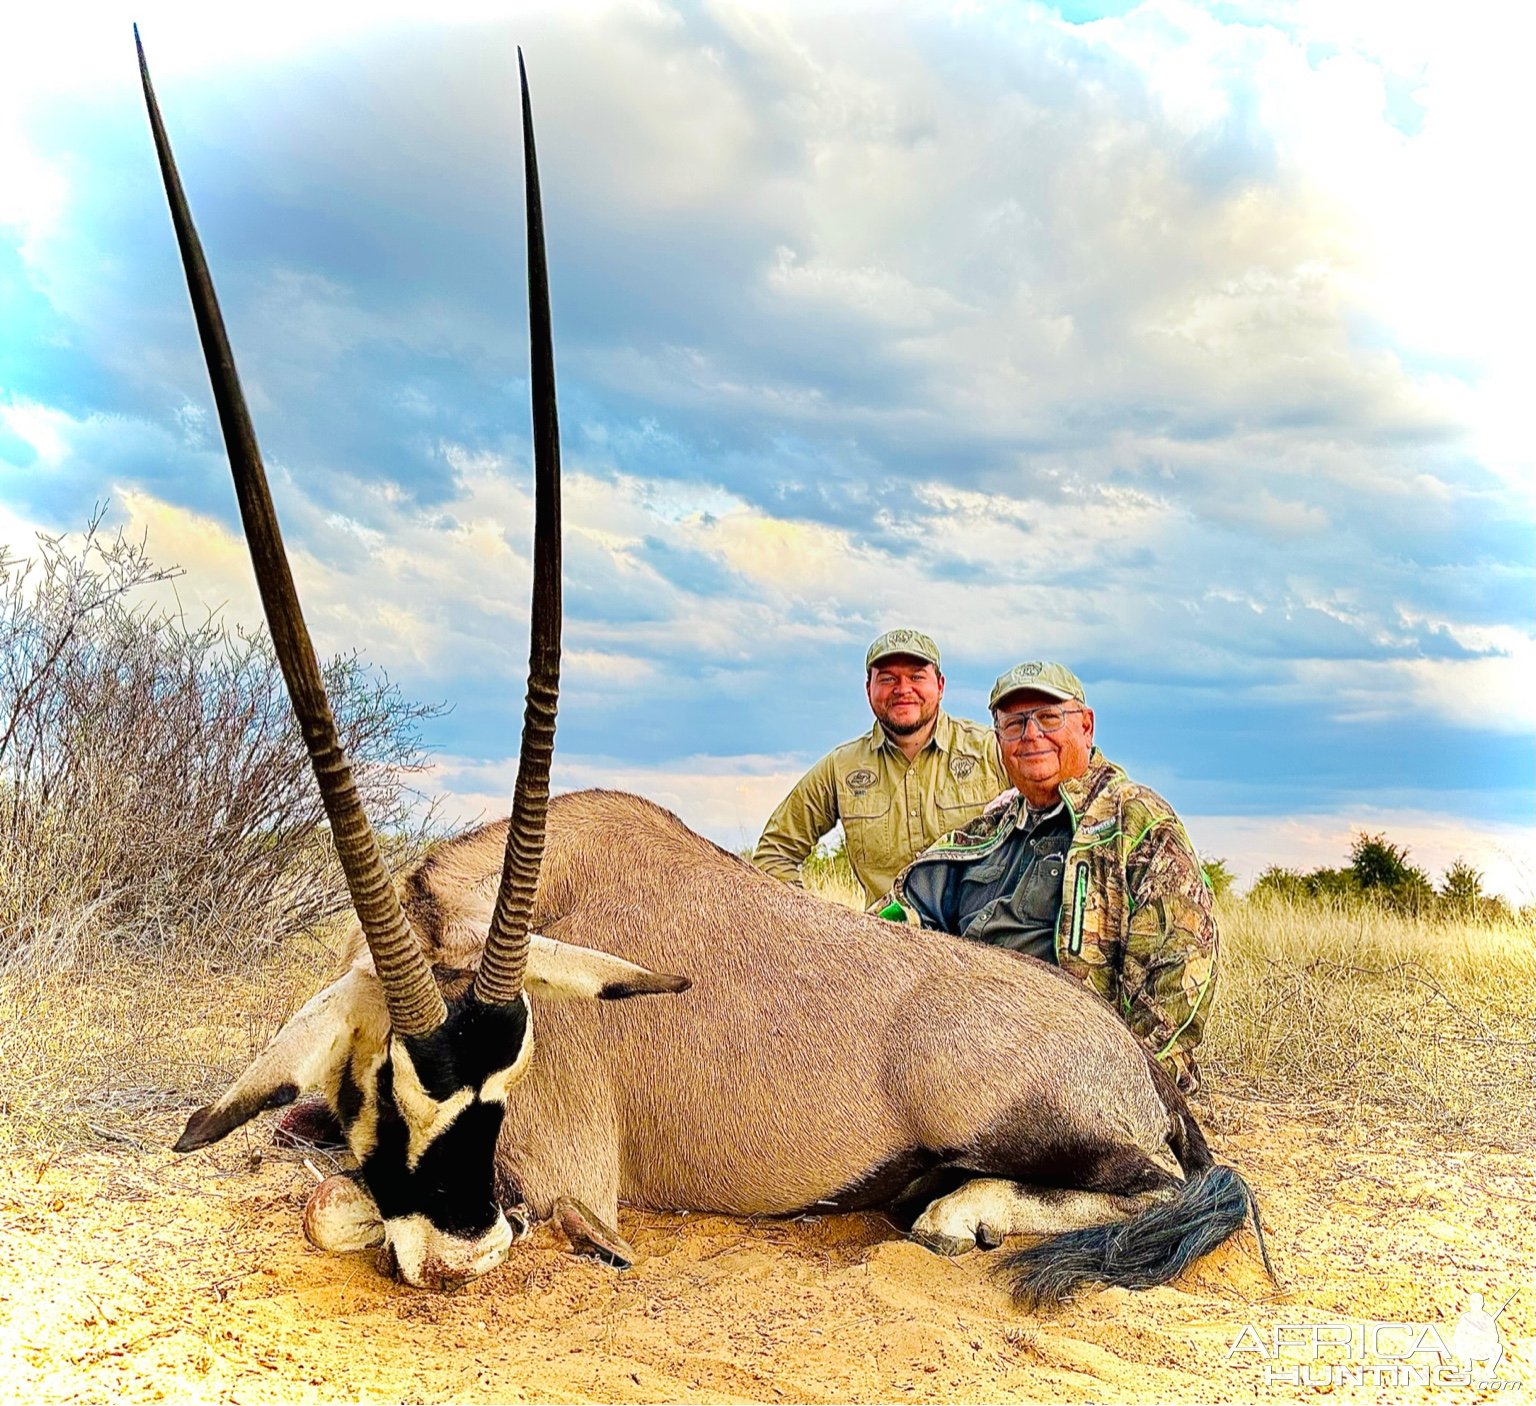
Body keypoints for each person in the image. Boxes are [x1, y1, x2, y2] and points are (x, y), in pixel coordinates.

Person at [876, 660, 1217, 1092]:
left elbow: (1182, 972)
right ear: (998, 740)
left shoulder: (1135, 821)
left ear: (1086, 727)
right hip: (951, 1057)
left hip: (1066, 1078)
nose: (1031, 735)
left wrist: (1133, 1093)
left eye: (1048, 717)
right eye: (1014, 724)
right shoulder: (992, 826)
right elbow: (905, 916)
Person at [752, 629, 1008, 907]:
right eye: (887, 678)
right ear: (868, 689)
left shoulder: (993, 750)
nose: (902, 689)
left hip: (980, 943)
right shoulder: (841, 768)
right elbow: (773, 854)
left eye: (917, 676)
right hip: (884, 943)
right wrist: (818, 922)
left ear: (941, 685)